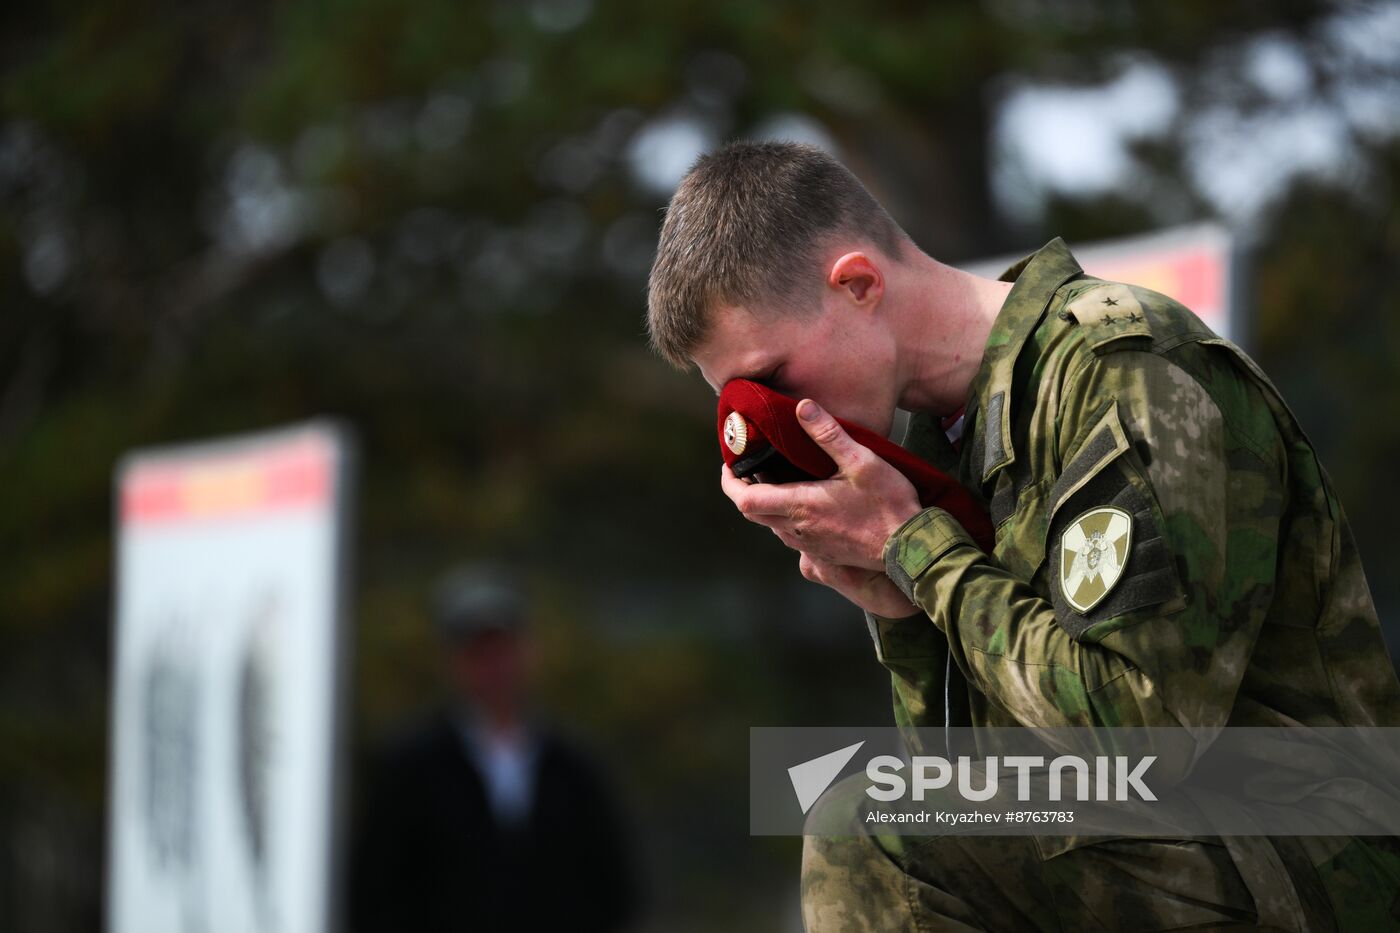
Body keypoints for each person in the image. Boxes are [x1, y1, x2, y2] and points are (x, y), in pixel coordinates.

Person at [646, 140, 1400, 931]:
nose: (764, 424)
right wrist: (900, 606)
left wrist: (917, 548)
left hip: (1303, 847)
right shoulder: (946, 439)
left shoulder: (1124, 366)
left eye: (772, 381)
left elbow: (1143, 737)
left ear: (859, 283)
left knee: (859, 824)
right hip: (1161, 842)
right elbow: (971, 778)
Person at [349, 565, 638, 933]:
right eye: (478, 653)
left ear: (528, 652)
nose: (494, 668)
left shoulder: (573, 765)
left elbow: (613, 888)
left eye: (502, 650)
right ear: (453, 661)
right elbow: (376, 892)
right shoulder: (410, 768)